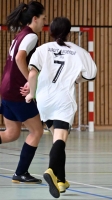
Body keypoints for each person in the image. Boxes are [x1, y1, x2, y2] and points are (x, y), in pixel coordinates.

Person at [25, 17, 97, 198]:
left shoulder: (42, 49)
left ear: (51, 31)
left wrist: (31, 94)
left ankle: (61, 181)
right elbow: (91, 75)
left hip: (44, 100)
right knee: (60, 139)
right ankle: (51, 171)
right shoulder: (79, 51)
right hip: (63, 100)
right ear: (68, 32)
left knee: (57, 139)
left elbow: (32, 74)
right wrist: (76, 78)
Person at [0, 1, 45, 183]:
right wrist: (30, 80)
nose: (44, 22)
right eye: (43, 18)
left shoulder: (20, 35)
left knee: (12, 133)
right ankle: (20, 172)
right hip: (17, 90)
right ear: (34, 19)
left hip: (6, 87)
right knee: (37, 131)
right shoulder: (31, 36)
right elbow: (20, 57)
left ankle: (21, 172)